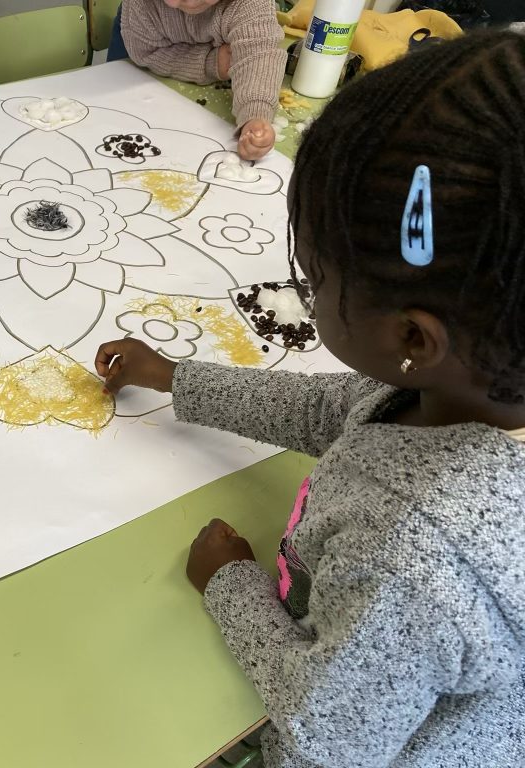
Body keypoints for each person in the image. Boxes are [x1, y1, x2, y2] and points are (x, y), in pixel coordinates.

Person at [96, 30, 525, 766]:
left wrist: (230, 586)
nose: (305, 292)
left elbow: (327, 737)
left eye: (314, 279)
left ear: (413, 337)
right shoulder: (461, 387)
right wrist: (174, 377)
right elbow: (333, 411)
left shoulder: (412, 562)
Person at [108, 0, 286, 161]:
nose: (192, 2)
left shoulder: (251, 3)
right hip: (145, 47)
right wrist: (210, 62)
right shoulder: (140, 6)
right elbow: (148, 53)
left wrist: (255, 114)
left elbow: (258, 56)